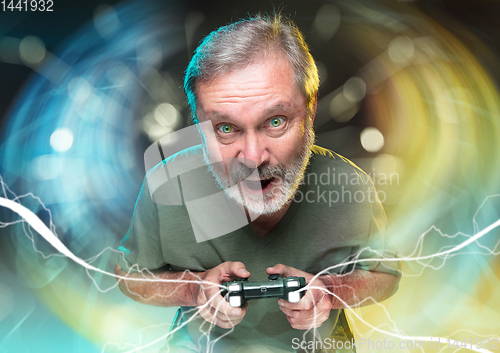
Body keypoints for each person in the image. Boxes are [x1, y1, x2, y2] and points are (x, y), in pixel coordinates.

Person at [115, 14, 400, 353]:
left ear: (310, 111)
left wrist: (330, 291)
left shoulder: (350, 184)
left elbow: (386, 275)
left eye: (275, 121)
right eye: (225, 128)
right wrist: (193, 290)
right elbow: (129, 276)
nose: (252, 157)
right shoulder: (165, 184)